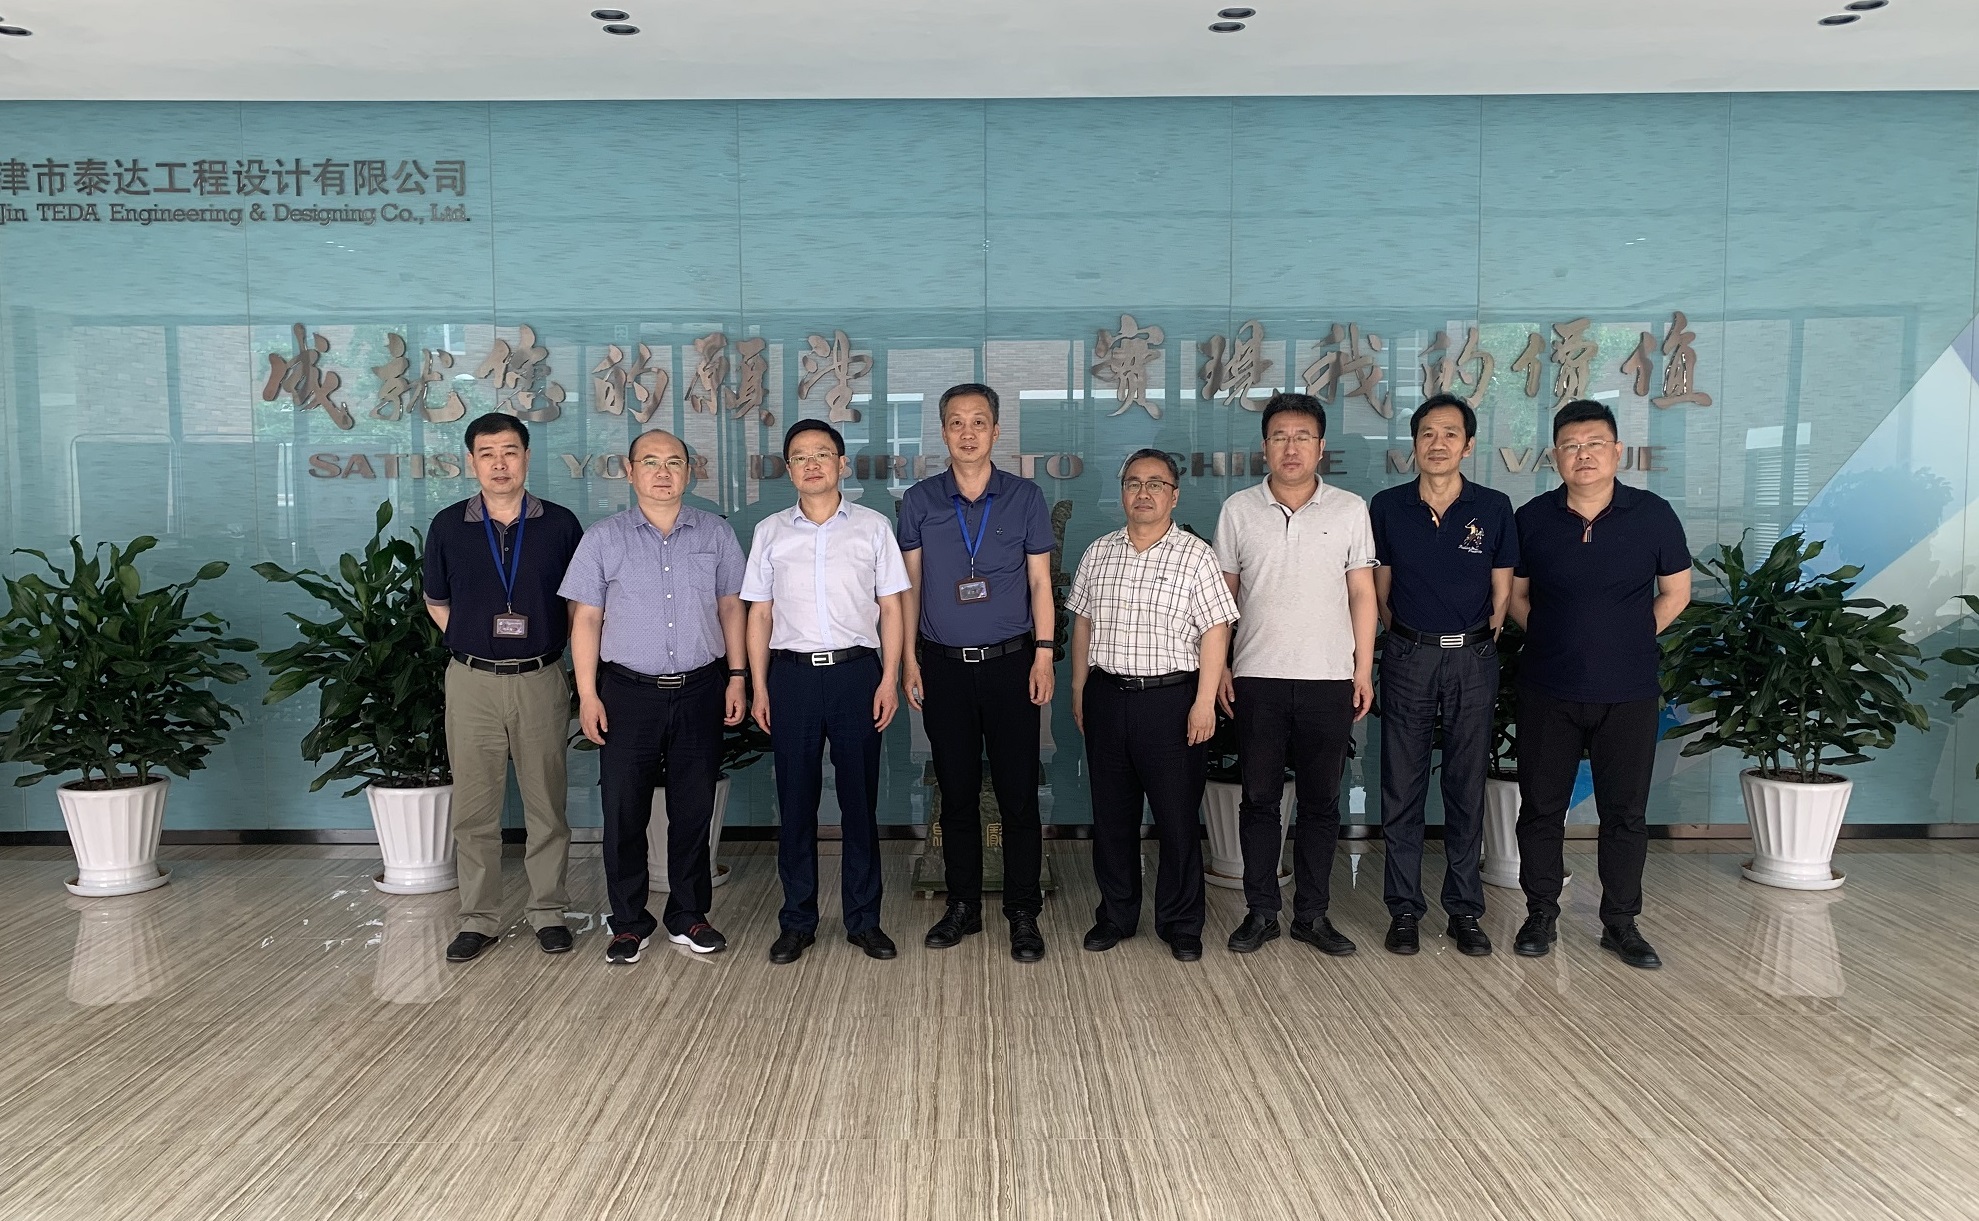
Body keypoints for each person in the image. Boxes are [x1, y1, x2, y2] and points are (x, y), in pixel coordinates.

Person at [1507, 399, 1691, 970]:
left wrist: (1628, 637)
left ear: (1616, 451)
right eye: (1570, 445)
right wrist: (1554, 636)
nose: (1582, 454)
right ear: (1555, 455)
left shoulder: (1653, 514)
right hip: (1548, 687)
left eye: (1593, 444)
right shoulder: (1532, 518)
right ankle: (1540, 913)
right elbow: (1515, 596)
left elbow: (1677, 592)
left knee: (1625, 813)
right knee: (1541, 808)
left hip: (1629, 691)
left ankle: (1621, 923)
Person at [561, 430, 748, 964]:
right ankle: (628, 923)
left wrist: (737, 676)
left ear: (689, 471)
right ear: (629, 471)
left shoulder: (715, 533)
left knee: (694, 808)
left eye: (673, 462)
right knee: (623, 810)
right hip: (627, 693)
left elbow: (732, 607)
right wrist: (588, 694)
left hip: (700, 689)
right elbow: (586, 619)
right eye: (650, 462)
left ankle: (689, 915)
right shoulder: (603, 538)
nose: (662, 472)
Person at [1214, 391, 1378, 958]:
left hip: (1328, 679)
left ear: (1321, 446)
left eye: (1302, 437)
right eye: (1280, 437)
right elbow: (1223, 598)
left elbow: (1362, 594)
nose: (1291, 447)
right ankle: (1261, 911)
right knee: (1259, 799)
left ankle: (1312, 914)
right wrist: (1221, 666)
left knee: (1321, 803)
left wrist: (1362, 668)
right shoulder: (1238, 510)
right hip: (1257, 676)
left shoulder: (1350, 509)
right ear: (1264, 447)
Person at [897, 383, 1057, 962]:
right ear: (943, 431)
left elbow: (1040, 582)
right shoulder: (920, 500)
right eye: (957, 422)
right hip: (943, 668)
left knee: (1018, 794)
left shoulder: (1025, 497)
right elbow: (910, 588)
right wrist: (909, 659)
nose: (968, 432)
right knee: (957, 793)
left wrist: (1044, 654)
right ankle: (962, 904)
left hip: (1011, 665)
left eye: (979, 422)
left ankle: (1022, 911)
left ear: (996, 431)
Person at [743, 419, 910, 965]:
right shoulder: (770, 532)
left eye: (821, 453)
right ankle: (797, 920)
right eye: (799, 456)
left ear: (841, 463)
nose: (811, 463)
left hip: (855, 674)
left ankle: (864, 920)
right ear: (788, 468)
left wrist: (888, 677)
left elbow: (891, 607)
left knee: (860, 800)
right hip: (790, 677)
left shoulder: (873, 528)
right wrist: (760, 686)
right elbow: (759, 614)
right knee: (795, 802)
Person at [424, 413, 586, 963]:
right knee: (475, 809)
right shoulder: (449, 526)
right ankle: (478, 919)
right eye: (487, 453)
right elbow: (436, 600)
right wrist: (474, 641)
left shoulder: (560, 524)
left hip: (540, 678)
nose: (499, 463)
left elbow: (579, 605)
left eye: (510, 451)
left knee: (547, 805)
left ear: (527, 457)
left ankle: (548, 912)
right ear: (471, 461)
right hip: (471, 682)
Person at [1068, 450, 1238, 962]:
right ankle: (1116, 915)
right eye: (1134, 483)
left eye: (1156, 484)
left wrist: (1204, 702)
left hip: (1172, 701)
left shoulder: (1195, 555)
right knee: (1112, 816)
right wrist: (1079, 688)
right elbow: (1082, 622)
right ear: (1122, 491)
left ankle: (1181, 922)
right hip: (1107, 696)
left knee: (1177, 818)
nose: (1144, 493)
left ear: (1174, 495)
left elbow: (1216, 630)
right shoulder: (1099, 552)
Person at [1368, 393, 1516, 958]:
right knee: (1401, 785)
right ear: (1414, 443)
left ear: (1468, 445)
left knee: (1465, 784)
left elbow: (1502, 593)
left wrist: (1471, 643)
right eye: (1427, 433)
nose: (1438, 443)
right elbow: (1381, 591)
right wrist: (1411, 640)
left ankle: (1465, 910)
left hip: (1472, 659)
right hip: (1409, 656)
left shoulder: (1493, 507)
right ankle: (1403, 909)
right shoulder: (1388, 506)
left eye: (1450, 433)